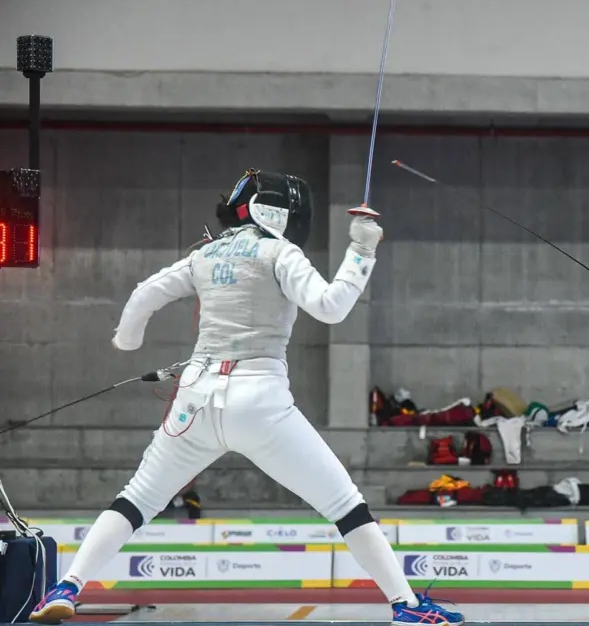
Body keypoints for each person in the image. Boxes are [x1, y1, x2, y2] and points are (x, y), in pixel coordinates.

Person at [31, 170, 463, 626]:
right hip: (259, 401)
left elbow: (145, 294)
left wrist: (127, 340)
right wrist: (362, 250)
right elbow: (331, 307)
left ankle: (67, 586)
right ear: (278, 212)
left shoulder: (204, 255)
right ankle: (405, 605)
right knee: (344, 504)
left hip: (194, 401)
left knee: (136, 499)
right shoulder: (279, 252)